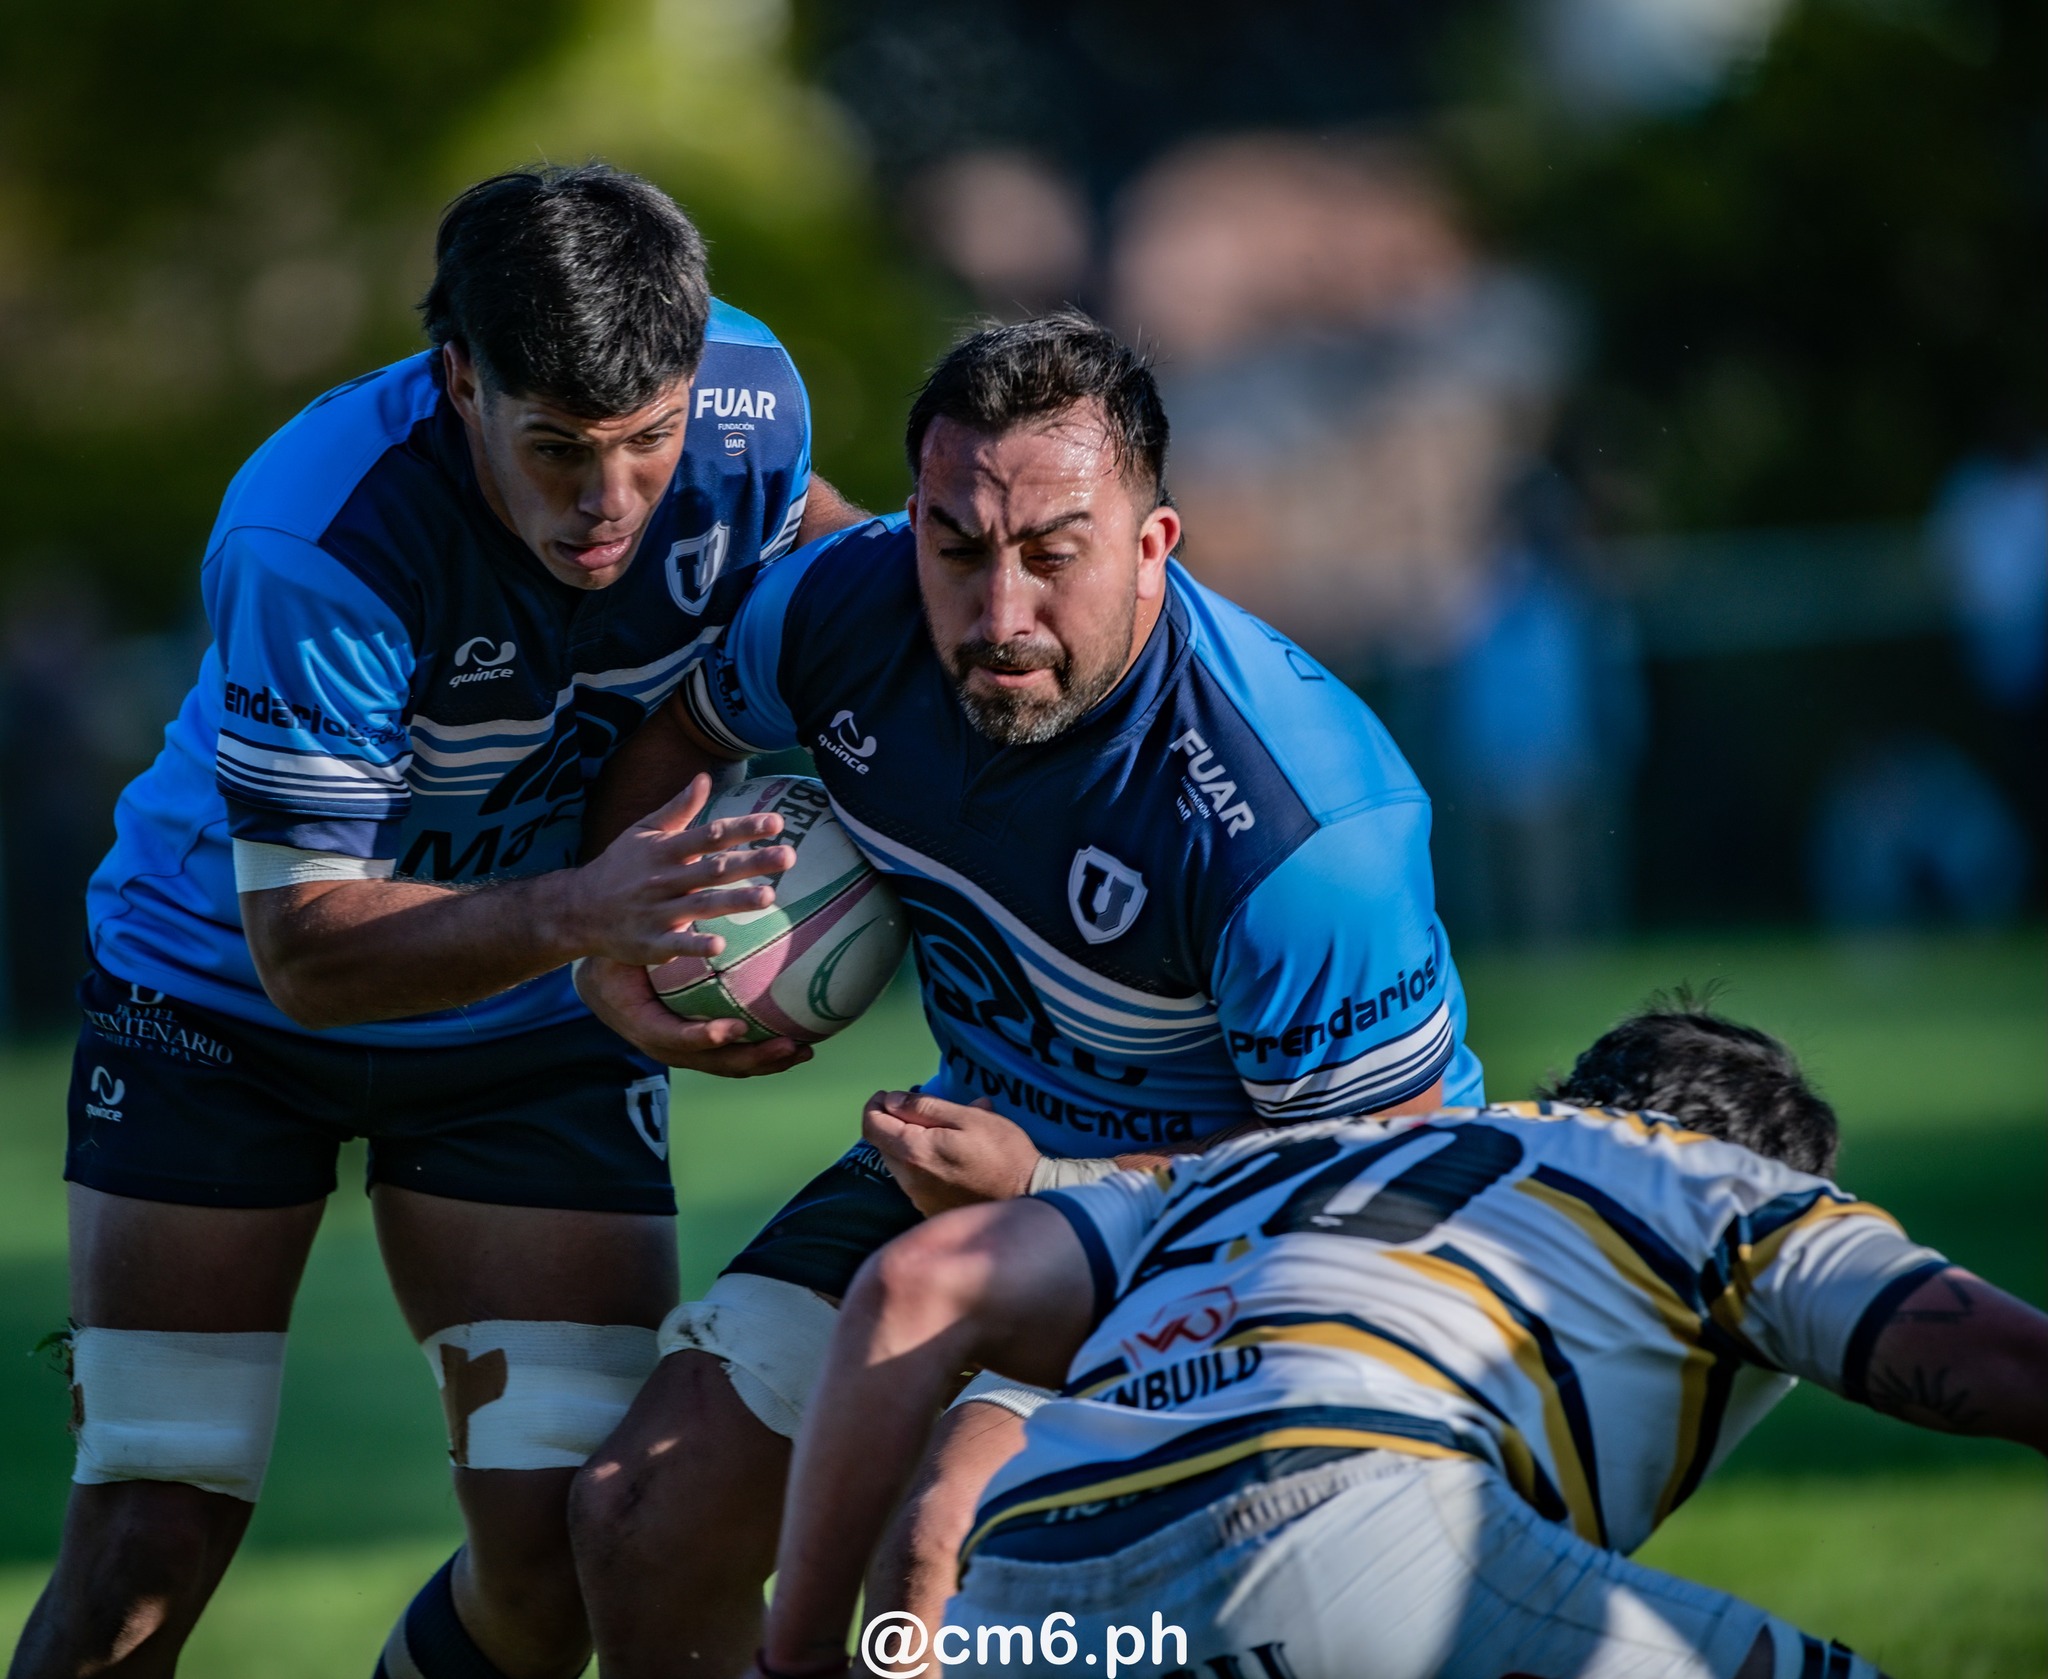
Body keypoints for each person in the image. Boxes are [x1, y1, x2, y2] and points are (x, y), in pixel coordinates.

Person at [11, 163, 864, 1679]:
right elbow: (308, 952)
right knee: (148, 1539)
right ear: (462, 378)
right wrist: (592, 910)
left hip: (530, 1011)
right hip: (220, 1005)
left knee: (559, 1564)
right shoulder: (319, 531)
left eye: (648, 441)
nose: (609, 502)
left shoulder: (752, 407)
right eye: (558, 449)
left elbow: (849, 587)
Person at [568, 312, 1484, 1675]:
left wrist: (1051, 1189)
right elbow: (682, 735)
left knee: (932, 1584)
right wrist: (615, 933)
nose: (1001, 617)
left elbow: (1378, 1179)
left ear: (1153, 546)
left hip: (1252, 1242)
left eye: (1055, 555)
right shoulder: (842, 608)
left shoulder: (1301, 830)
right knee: (641, 1514)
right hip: (965, 1167)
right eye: (957, 549)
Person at [757, 1003, 2048, 1679]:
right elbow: (2009, 1368)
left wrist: (801, 1658)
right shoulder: (1727, 1190)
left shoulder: (1282, 1158)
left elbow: (917, 1285)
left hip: (1027, 1610)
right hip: (1349, 1523)